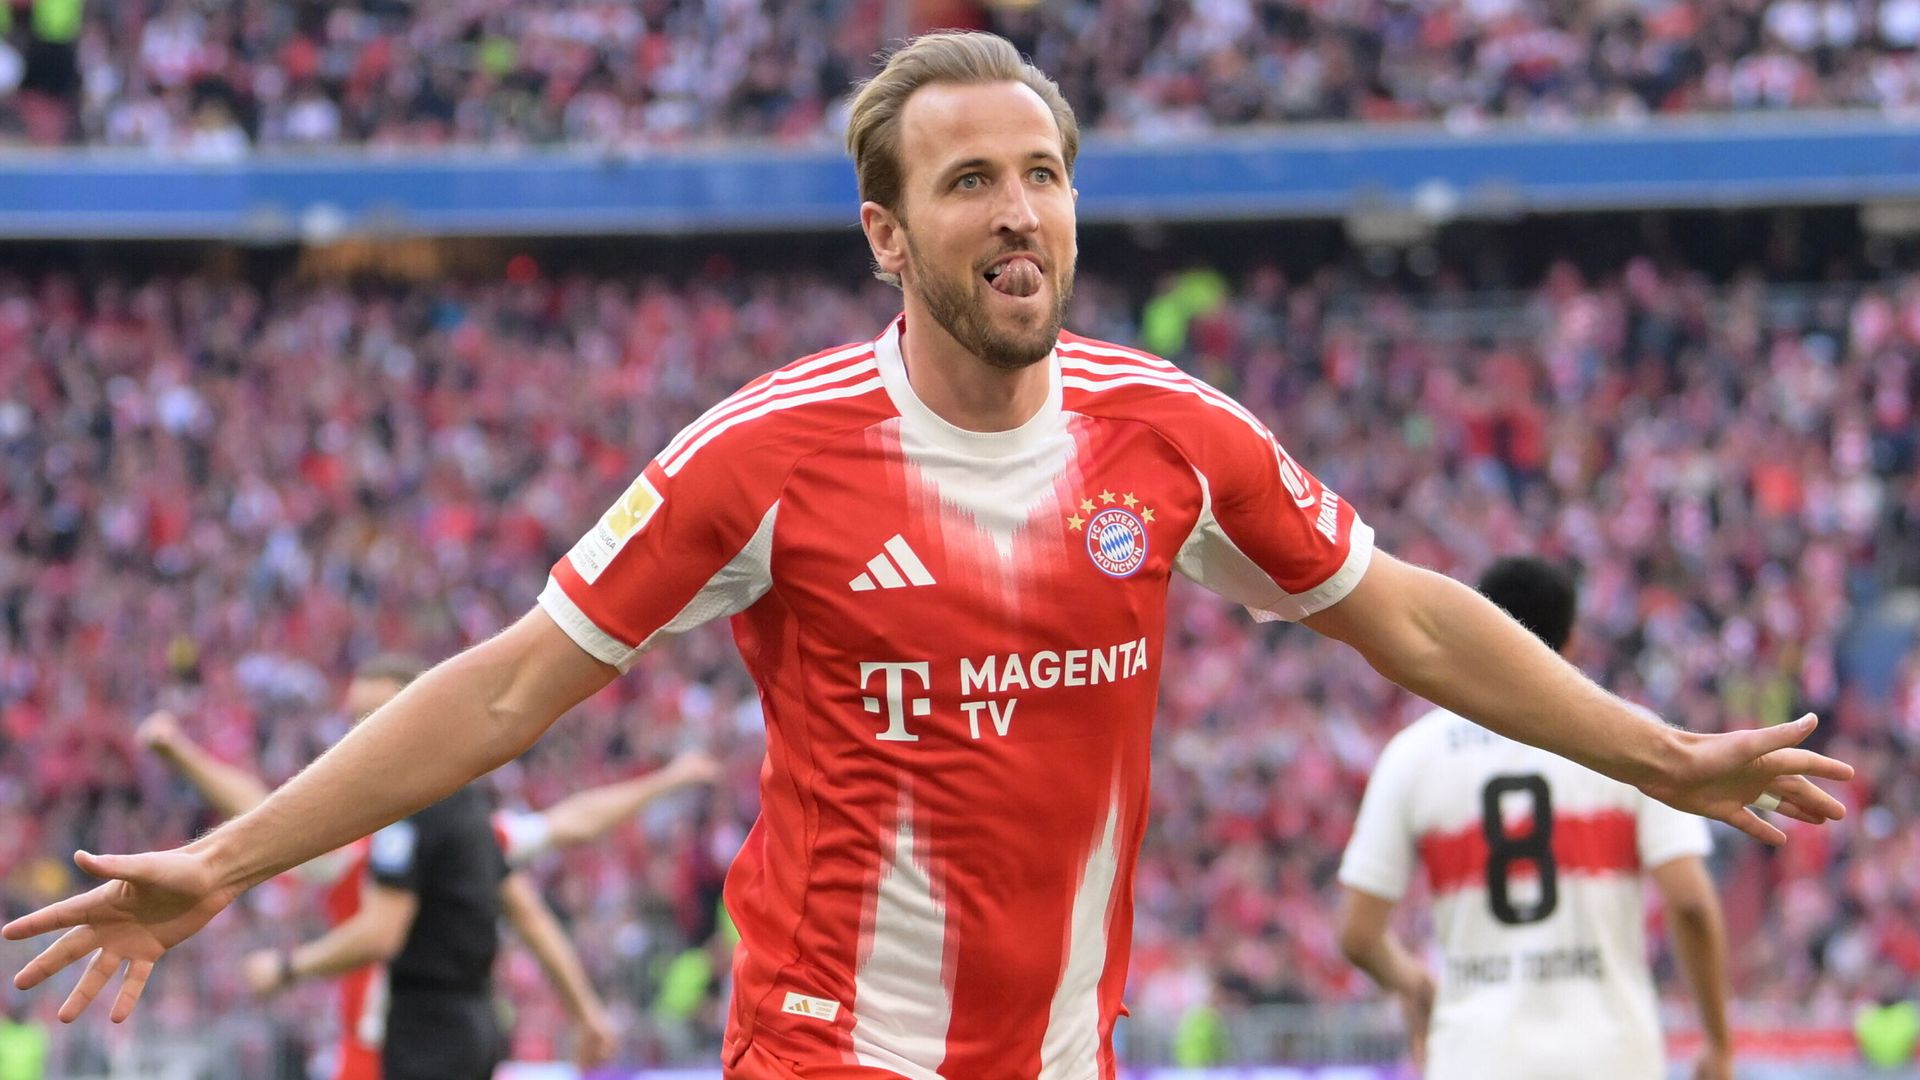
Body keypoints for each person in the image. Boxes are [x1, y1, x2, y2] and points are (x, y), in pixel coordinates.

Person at [3, 30, 1851, 1080]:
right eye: (970, 182)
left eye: (1042, 173)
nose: (1019, 212)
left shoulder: (1175, 436)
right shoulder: (762, 455)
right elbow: (502, 692)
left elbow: (1418, 626)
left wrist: (1657, 752)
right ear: (885, 235)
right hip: (830, 1052)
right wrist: (224, 865)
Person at [134, 655, 708, 1077]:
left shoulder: (403, 828)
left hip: (399, 1045)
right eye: (354, 720)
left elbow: (567, 834)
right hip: (432, 1037)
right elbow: (261, 812)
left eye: (376, 716)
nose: (361, 736)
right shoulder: (430, 821)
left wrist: (288, 968)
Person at [1337, 557, 1735, 1080]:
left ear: (1475, 629)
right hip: (1611, 1056)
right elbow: (1690, 904)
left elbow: (1358, 936)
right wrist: (1717, 1042)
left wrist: (1415, 983)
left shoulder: (1413, 754)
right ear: (1572, 641)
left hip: (1475, 1057)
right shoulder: (1637, 742)